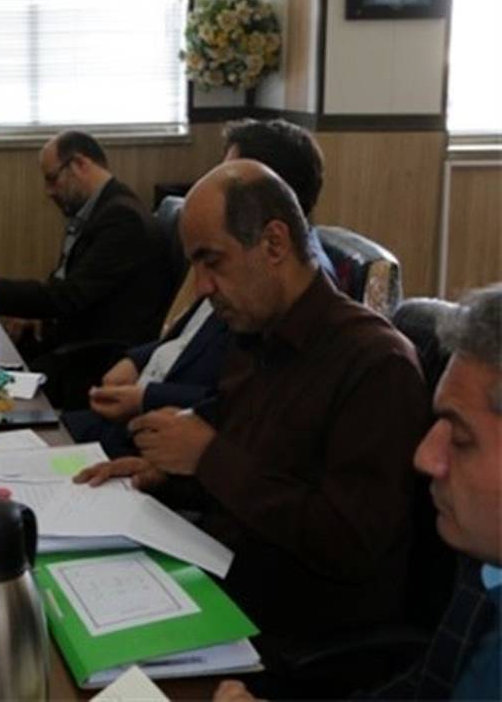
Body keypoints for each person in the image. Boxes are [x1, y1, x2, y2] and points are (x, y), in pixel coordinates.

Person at [73, 159, 429, 653]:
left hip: (290, 631)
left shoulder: (376, 365)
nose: (202, 287)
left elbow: (350, 542)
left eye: (213, 262)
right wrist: (170, 476)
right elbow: (258, 470)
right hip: (217, 575)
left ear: (274, 244)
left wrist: (208, 457)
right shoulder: (254, 335)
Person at [215, 285, 502, 701]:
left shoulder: (373, 360)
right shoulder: (484, 567)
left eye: (460, 438)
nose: (424, 457)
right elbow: (424, 691)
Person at [65, 118, 336, 454]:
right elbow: (186, 339)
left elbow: (239, 402)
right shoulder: (232, 259)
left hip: (163, 431)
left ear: (268, 190)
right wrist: (135, 361)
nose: (202, 286)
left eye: (229, 175)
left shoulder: (283, 288)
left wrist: (147, 399)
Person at [0, 130, 168, 361]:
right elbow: (68, 286)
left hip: (96, 356)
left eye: (52, 179)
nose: (48, 191)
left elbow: (71, 296)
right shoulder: (98, 211)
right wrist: (37, 316)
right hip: (72, 340)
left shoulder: (123, 219)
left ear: (79, 164)